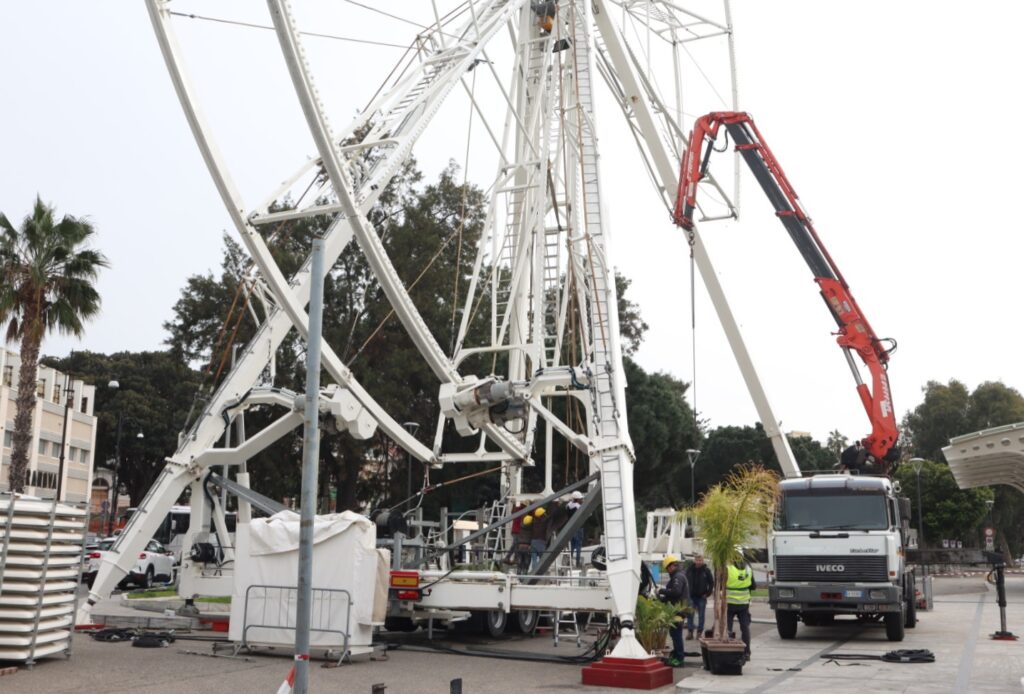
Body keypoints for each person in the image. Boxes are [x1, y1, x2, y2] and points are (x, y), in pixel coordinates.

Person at [657, 555, 689, 668]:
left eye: (667, 568)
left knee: (676, 635)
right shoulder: (677, 576)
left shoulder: (678, 577)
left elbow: (676, 592)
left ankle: (679, 659)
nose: (667, 570)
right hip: (677, 609)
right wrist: (662, 599)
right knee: (675, 634)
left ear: (671, 566)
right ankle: (676, 655)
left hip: (678, 611)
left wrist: (662, 591)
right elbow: (673, 596)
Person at [726, 559, 756, 661]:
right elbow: (754, 586)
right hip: (744, 603)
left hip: (729, 602)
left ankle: (727, 651)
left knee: (728, 628)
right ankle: (747, 652)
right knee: (745, 628)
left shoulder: (728, 567)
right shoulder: (748, 567)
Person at [684, 554, 714, 639]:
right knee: (690, 615)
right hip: (691, 596)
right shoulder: (689, 570)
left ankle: (699, 632)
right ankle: (690, 632)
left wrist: (708, 594)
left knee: (701, 615)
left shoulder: (706, 571)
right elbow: (685, 581)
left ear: (703, 561)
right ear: (694, 560)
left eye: (700, 560)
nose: (699, 562)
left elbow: (711, 583)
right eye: (697, 560)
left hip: (701, 597)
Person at [529, 506, 550, 573]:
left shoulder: (534, 521)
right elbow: (549, 519)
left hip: (533, 541)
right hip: (540, 541)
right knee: (542, 559)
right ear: (542, 514)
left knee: (534, 559)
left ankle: (534, 572)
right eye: (544, 513)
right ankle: (541, 572)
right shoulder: (544, 522)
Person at [567, 491, 584, 567]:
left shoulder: (568, 506)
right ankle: (577, 562)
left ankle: (569, 561)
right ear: (577, 499)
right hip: (578, 527)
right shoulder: (578, 506)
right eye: (580, 499)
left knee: (572, 545)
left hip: (570, 527)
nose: (581, 500)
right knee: (578, 545)